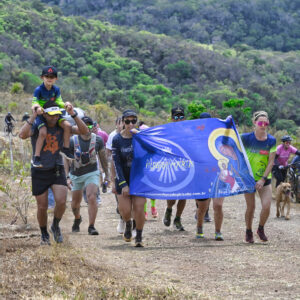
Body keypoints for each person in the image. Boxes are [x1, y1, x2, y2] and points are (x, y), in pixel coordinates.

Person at [18, 101, 88, 245]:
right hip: (39, 170)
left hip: (56, 168)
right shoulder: (38, 126)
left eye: (57, 115)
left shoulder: (62, 127)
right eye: (51, 115)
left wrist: (73, 114)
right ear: (45, 114)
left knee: (61, 201)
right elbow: (22, 135)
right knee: (42, 206)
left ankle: (55, 225)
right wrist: (33, 117)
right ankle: (44, 233)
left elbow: (84, 131)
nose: (54, 118)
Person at [65, 116, 109, 235]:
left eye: (90, 125)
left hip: (92, 172)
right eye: (84, 125)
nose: (87, 128)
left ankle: (91, 226)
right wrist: (67, 177)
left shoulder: (98, 140)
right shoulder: (72, 141)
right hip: (76, 173)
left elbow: (103, 159)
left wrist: (107, 176)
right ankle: (78, 218)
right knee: (75, 204)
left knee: (91, 196)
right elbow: (66, 159)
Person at [112, 109, 146, 247]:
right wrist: (123, 184)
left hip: (139, 179)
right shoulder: (117, 139)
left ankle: (138, 235)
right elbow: (116, 163)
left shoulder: (141, 137)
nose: (131, 124)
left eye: (133, 121)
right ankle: (128, 223)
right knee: (125, 211)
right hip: (123, 178)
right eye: (127, 121)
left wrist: (141, 138)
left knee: (139, 208)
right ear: (122, 122)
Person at [241, 111, 276, 243]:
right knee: (251, 207)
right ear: (254, 123)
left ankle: (260, 229)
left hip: (264, 178)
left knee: (266, 206)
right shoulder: (245, 138)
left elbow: (271, 161)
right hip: (249, 178)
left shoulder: (271, 140)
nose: (263, 125)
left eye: (265, 123)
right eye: (260, 122)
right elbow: (232, 143)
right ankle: (248, 231)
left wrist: (262, 179)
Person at [31, 66, 74, 168]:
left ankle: (66, 149)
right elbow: (34, 101)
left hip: (54, 112)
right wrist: (37, 107)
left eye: (52, 76)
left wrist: (65, 105)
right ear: (42, 77)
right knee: (43, 132)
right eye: (47, 76)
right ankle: (36, 157)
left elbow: (58, 101)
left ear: (56, 79)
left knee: (67, 125)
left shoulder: (56, 89)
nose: (50, 78)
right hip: (43, 114)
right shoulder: (39, 89)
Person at [163, 105, 187, 231]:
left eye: (181, 116)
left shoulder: (188, 131)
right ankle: (169, 209)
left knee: (184, 195)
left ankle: (178, 218)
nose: (179, 119)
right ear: (172, 118)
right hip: (171, 167)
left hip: (185, 167)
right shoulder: (166, 131)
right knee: (172, 195)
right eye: (176, 116)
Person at [106, 117, 125, 234]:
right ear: (116, 124)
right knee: (120, 201)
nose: (123, 125)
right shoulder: (113, 136)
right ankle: (122, 218)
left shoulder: (134, 135)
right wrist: (111, 178)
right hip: (118, 171)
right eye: (121, 123)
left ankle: (129, 222)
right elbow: (109, 155)